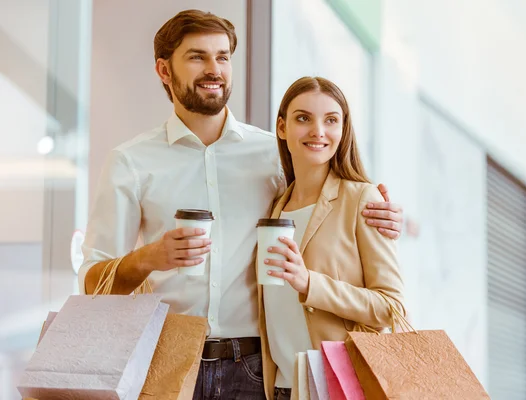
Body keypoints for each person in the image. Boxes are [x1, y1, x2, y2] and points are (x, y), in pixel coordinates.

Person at [79, 10, 403, 400]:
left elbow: (328, 207)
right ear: (164, 70)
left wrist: (383, 216)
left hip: (258, 368)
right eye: (197, 56)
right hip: (167, 363)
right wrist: (151, 257)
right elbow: (93, 284)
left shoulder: (274, 154)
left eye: (223, 56)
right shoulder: (131, 162)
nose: (214, 69)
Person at [257, 77, 406, 400]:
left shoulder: (361, 199)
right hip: (282, 388)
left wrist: (310, 283)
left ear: (343, 130)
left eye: (331, 120)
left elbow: (391, 306)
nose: (318, 131)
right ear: (281, 128)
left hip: (335, 387)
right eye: (303, 118)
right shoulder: (275, 206)